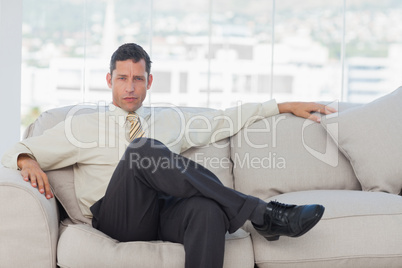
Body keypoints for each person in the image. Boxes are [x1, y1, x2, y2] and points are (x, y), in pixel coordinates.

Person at [1, 43, 335, 268]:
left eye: (138, 79)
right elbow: (17, 148)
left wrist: (283, 106)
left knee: (206, 210)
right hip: (117, 215)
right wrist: (27, 161)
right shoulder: (83, 125)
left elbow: (224, 119)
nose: (130, 87)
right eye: (122, 79)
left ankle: (256, 214)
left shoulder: (169, 120)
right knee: (142, 149)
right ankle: (262, 213)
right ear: (109, 81)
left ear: (149, 82)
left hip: (162, 213)